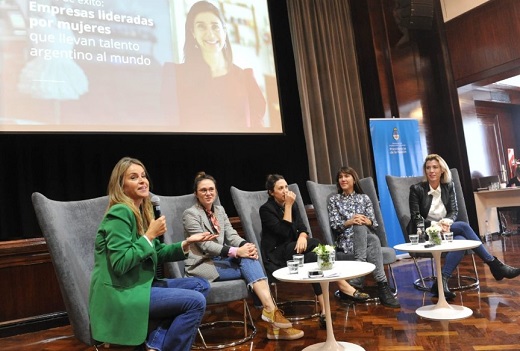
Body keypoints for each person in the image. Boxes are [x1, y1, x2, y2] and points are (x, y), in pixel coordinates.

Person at [89, 157, 218, 351]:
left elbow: (156, 252)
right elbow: (120, 262)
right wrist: (149, 235)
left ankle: (155, 344)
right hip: (123, 292)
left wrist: (186, 243)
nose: (142, 180)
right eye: (134, 177)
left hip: (141, 284)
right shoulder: (119, 213)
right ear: (121, 186)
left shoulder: (141, 211)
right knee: (195, 301)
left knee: (200, 284)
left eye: (143, 176)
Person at [182, 172, 304, 341]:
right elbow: (205, 245)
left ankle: (271, 317)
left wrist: (245, 246)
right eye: (203, 190)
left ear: (216, 191)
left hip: (222, 261)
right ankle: (272, 315)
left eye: (211, 189)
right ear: (196, 193)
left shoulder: (219, 210)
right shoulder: (190, 214)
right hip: (203, 265)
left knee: (250, 258)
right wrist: (236, 252)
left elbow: (232, 235)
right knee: (250, 268)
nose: (208, 193)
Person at [260, 174, 371, 328]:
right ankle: (343, 285)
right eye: (280, 188)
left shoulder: (294, 204)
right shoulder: (266, 209)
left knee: (314, 258)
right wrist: (288, 207)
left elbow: (303, 228)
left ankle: (324, 311)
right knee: (317, 243)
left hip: (295, 249)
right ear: (272, 193)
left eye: (286, 187)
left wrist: (302, 237)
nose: (285, 191)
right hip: (277, 254)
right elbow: (283, 233)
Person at [409, 154, 520, 299]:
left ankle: (441, 283)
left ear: (442, 170)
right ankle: (495, 265)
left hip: (446, 229)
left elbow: (454, 210)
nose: (431, 170)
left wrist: (447, 222)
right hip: (425, 232)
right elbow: (416, 217)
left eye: (435, 167)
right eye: (428, 167)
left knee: (461, 238)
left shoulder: (448, 186)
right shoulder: (416, 189)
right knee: (463, 227)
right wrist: (437, 225)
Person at [161, 1, 266, 132]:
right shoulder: (175, 75)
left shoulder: (245, 78)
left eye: (215, 26)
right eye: (201, 27)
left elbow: (257, 129)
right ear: (193, 33)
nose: (210, 34)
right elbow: (169, 125)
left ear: (225, 31)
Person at [327, 167, 400, 308]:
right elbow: (335, 225)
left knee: (367, 233)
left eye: (346, 176)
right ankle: (383, 287)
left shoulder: (364, 198)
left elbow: (374, 223)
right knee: (371, 238)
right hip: (346, 240)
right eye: (340, 177)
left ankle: (357, 279)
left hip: (365, 237)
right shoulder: (334, 200)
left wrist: (367, 221)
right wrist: (351, 222)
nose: (343, 179)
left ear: (354, 179)